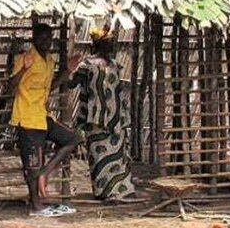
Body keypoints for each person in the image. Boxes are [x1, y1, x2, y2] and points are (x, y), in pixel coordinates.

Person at [9, 23, 80, 217]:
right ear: (34, 38)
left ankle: (46, 171)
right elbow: (11, 85)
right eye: (42, 37)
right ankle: (35, 206)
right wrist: (24, 69)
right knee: (32, 165)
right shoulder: (25, 58)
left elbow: (51, 86)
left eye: (48, 38)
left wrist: (68, 71)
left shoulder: (49, 60)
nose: (46, 41)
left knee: (72, 138)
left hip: (42, 116)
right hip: (26, 118)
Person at [69, 27, 139, 202]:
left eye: (111, 44)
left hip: (115, 118)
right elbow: (71, 84)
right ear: (99, 44)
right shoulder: (87, 65)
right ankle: (103, 191)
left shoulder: (114, 65)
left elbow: (118, 91)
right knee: (99, 155)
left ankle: (121, 190)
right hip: (95, 119)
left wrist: (123, 116)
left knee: (118, 156)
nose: (111, 47)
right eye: (107, 44)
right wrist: (69, 70)